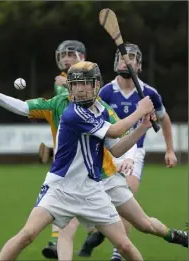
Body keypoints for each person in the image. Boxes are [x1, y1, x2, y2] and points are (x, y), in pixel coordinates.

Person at [0, 61, 156, 261]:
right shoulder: (73, 113)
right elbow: (115, 130)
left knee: (124, 245)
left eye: (85, 83)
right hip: (60, 188)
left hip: (92, 190)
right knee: (26, 235)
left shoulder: (102, 111)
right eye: (75, 84)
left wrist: (142, 127)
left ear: (96, 85)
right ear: (69, 86)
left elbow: (116, 149)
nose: (80, 89)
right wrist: (140, 111)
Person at [78, 43, 179, 261]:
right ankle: (99, 233)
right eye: (124, 57)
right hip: (109, 153)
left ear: (139, 65)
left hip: (136, 151)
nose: (127, 61)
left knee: (127, 197)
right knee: (105, 203)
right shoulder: (105, 91)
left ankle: (117, 253)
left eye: (132, 58)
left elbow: (165, 119)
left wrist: (169, 150)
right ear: (117, 62)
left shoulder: (149, 93)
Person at [39, 40, 86, 259]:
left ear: (81, 57)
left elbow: (87, 100)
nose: (66, 58)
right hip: (67, 152)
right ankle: (57, 240)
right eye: (63, 54)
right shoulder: (60, 81)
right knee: (61, 196)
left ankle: (94, 237)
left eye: (71, 54)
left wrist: (68, 84)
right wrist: (54, 148)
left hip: (89, 152)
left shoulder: (88, 72)